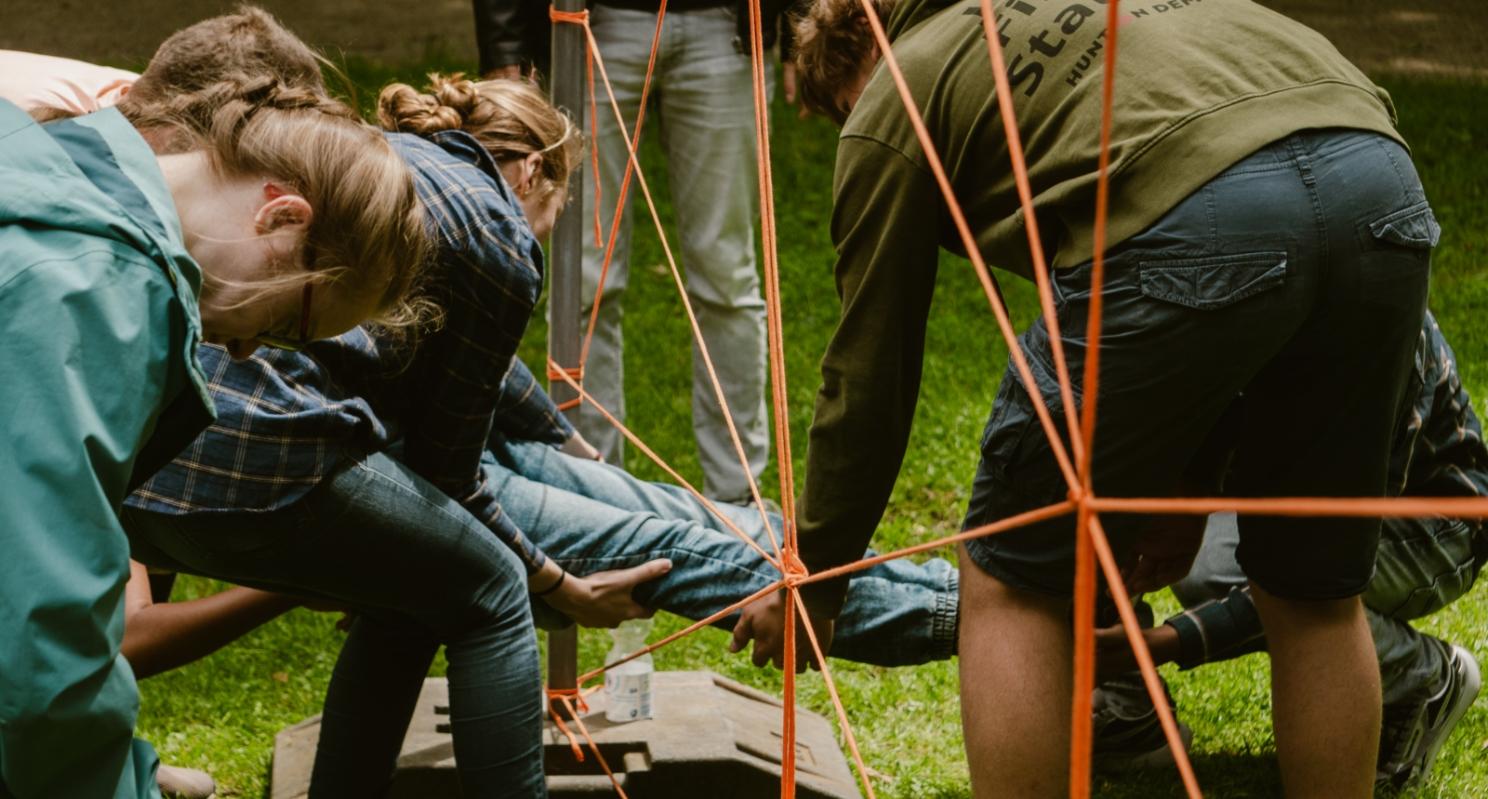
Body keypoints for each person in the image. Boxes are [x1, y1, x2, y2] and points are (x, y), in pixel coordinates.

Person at [736, 0, 1439, 796]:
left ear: (854, 61)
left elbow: (871, 370)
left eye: (839, 112)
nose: (850, 127)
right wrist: (1188, 490)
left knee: (1010, 572)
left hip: (1202, 205)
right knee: (1313, 590)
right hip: (1379, 181)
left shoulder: (895, 89)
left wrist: (817, 580)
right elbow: (1261, 227)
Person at [0, 73, 426, 799]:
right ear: (282, 218)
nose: (243, 352)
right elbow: (43, 643)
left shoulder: (43, 151)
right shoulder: (101, 295)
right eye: (284, 324)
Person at [1093, 313, 1484, 788]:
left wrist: (1169, 643)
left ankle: (1424, 678)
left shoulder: (1373, 320)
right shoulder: (1231, 290)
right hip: (1297, 505)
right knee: (1182, 545)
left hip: (1438, 522)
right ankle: (1132, 715)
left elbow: (1318, 565)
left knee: (1256, 581)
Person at [475, 0, 801, 504]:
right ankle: (597, 496)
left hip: (725, 28)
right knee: (584, 280)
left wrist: (801, 24)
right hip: (595, 23)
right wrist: (506, 45)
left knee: (728, 278)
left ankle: (740, 500)